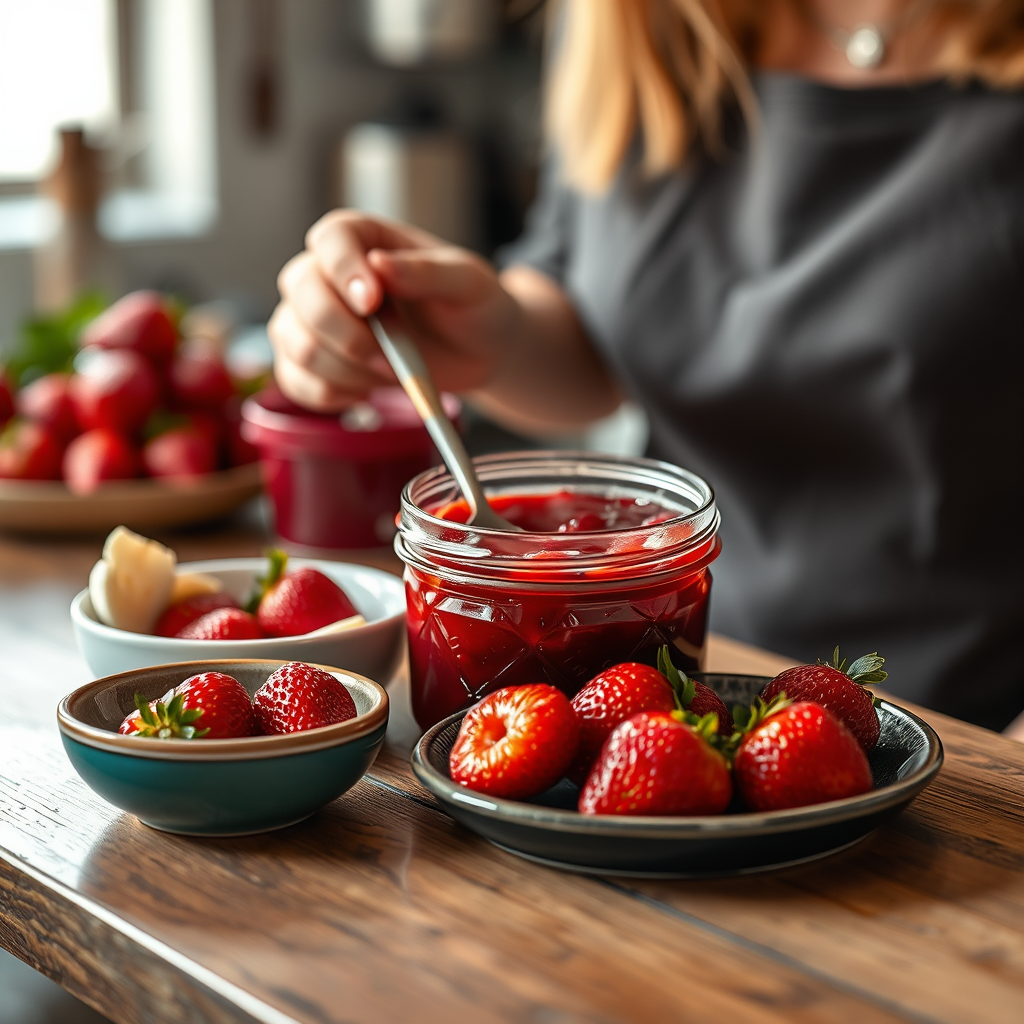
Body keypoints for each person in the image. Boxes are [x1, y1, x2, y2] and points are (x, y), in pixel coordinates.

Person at [268, 0, 1024, 732]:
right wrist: (478, 335)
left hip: (968, 728)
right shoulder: (632, 17)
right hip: (672, 692)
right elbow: (594, 311)